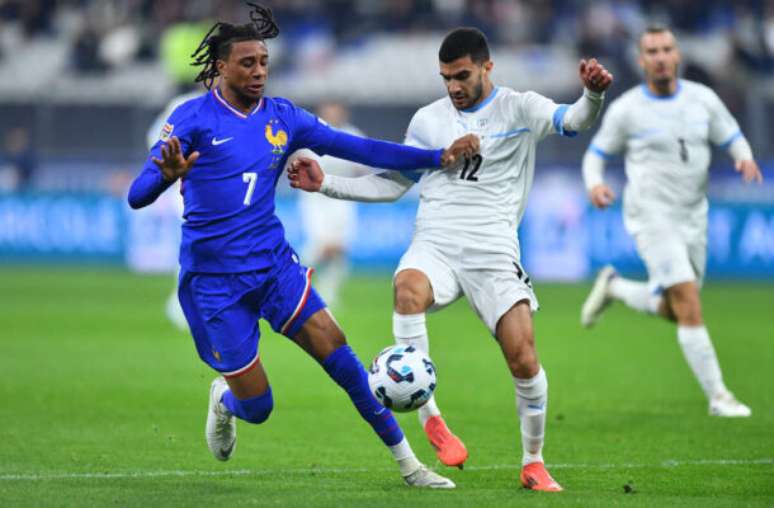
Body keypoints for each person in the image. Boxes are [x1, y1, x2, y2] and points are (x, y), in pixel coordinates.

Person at [127, 4, 479, 489]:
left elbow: (362, 150)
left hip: (275, 268)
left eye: (264, 62)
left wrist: (435, 157)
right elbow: (136, 194)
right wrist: (164, 179)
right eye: (247, 63)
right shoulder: (191, 119)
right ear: (221, 66)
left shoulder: (283, 117)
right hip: (215, 283)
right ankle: (225, 401)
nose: (258, 72)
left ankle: (410, 467)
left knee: (341, 355)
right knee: (259, 407)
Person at [289, 27, 613, 491]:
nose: (454, 87)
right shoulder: (427, 120)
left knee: (523, 359)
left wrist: (593, 95)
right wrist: (326, 185)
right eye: (446, 78)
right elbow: (392, 183)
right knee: (407, 290)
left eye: (462, 76)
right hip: (435, 241)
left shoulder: (520, 107)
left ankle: (534, 461)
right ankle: (431, 419)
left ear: (487, 67)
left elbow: (574, 119)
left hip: (494, 249)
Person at [579, 26, 762, 417]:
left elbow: (732, 136)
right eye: (652, 51)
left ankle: (616, 288)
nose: (660, 57)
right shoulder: (627, 108)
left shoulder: (703, 100)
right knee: (689, 302)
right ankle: (720, 397)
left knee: (675, 307)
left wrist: (743, 157)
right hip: (651, 215)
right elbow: (595, 154)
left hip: (694, 215)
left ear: (677, 55)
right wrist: (594, 184)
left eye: (666, 49)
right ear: (642, 60)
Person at [297, 102, 367, 309]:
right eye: (329, 110)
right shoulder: (311, 135)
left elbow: (362, 167)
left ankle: (329, 293)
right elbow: (299, 162)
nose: (333, 114)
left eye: (337, 110)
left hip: (344, 199)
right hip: (316, 199)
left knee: (341, 249)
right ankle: (291, 281)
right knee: (321, 246)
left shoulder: (353, 134)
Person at [145, 88, 202, 331]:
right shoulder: (184, 104)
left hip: (216, 189)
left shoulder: (231, 104)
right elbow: (155, 138)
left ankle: (189, 305)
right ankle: (181, 305)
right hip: (187, 187)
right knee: (194, 245)